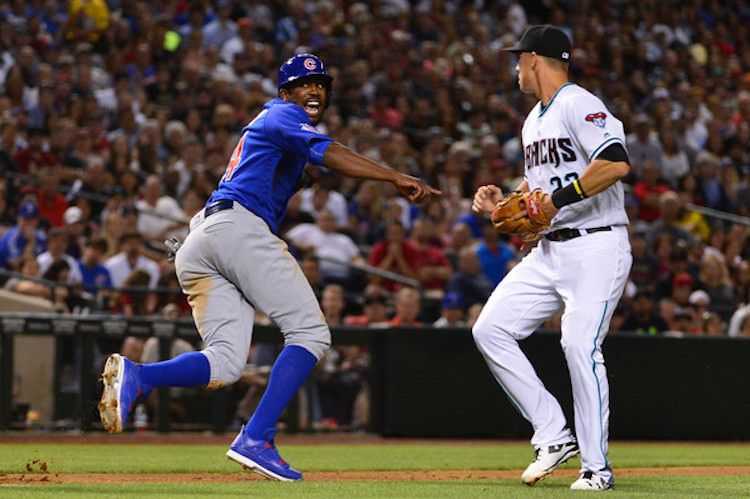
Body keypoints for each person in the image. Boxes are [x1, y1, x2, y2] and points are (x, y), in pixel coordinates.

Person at [98, 53, 439, 481]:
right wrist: (393, 176)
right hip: (236, 229)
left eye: (320, 85)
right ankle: (256, 437)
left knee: (225, 364)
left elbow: (297, 167)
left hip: (205, 237)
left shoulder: (279, 130)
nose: (314, 90)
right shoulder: (280, 115)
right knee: (311, 333)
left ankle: (139, 377)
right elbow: (328, 151)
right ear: (285, 93)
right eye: (303, 84)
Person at [471, 26, 632, 491]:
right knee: (491, 329)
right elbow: (537, 197)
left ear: (534, 59)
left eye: (518, 59)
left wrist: (555, 203)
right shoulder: (532, 121)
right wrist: (505, 200)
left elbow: (615, 162)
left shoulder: (578, 102)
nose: (515, 67)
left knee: (579, 346)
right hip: (550, 249)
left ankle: (596, 470)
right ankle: (553, 434)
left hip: (597, 246)